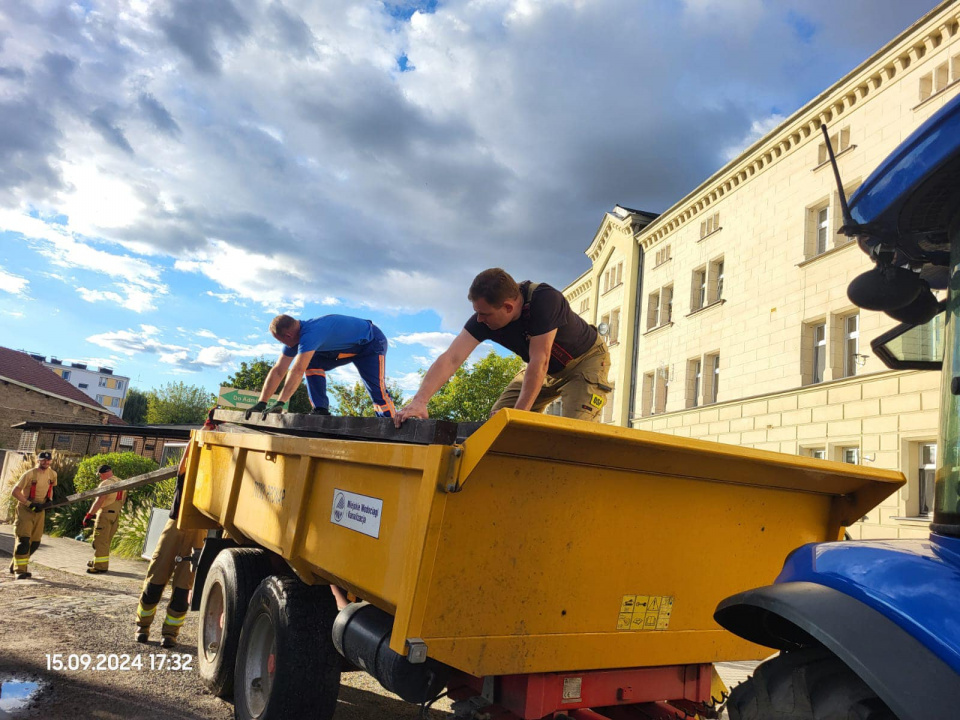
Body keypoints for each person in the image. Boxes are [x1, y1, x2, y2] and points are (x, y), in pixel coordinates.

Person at [396, 268, 612, 425]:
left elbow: (540, 359)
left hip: (585, 364)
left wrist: (517, 417)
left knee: (574, 433)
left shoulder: (545, 301)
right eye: (476, 312)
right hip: (544, 370)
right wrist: (419, 401)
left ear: (508, 307)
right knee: (498, 420)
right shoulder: (484, 319)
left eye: (485, 314)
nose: (479, 319)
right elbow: (452, 357)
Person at [134, 411, 215, 648]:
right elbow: (185, 460)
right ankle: (142, 627)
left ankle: (170, 634)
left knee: (182, 590)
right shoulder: (187, 475)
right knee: (155, 582)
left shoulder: (214, 485)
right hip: (175, 527)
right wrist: (201, 433)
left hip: (197, 534)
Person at [246, 313, 396, 418]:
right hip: (346, 348)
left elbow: (297, 369)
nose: (282, 344)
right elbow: (279, 370)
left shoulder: (311, 334)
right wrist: (262, 402)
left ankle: (390, 422)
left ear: (288, 336)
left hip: (371, 343)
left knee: (377, 390)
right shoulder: (295, 338)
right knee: (311, 362)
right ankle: (320, 409)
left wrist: (280, 402)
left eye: (281, 341)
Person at [8, 451, 57, 580]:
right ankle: (20, 570)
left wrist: (49, 500)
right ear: (38, 460)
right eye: (43, 460)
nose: (45, 462)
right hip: (26, 509)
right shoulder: (29, 474)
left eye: (48, 461)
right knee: (23, 541)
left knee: (35, 543)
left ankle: (15, 564)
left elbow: (50, 488)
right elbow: (15, 492)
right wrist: (29, 504)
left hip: (40, 510)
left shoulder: (53, 474)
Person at [82, 464, 127, 574]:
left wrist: (89, 515)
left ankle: (100, 567)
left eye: (99, 475)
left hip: (105, 514)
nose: (100, 477)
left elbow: (99, 501)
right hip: (115, 515)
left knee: (100, 541)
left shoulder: (105, 483)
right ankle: (97, 562)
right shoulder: (122, 482)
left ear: (102, 474)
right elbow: (124, 500)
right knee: (106, 541)